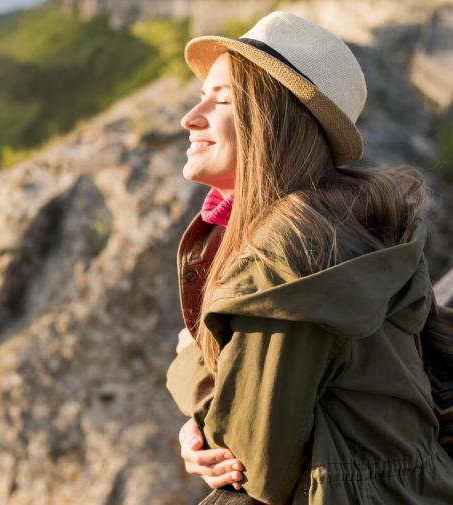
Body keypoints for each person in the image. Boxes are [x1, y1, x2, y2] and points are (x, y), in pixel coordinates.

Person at [164, 10, 453, 505]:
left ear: (271, 121)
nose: (191, 119)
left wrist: (188, 362)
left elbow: (255, 466)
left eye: (221, 100)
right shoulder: (349, 220)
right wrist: (203, 424)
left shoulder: (287, 248)